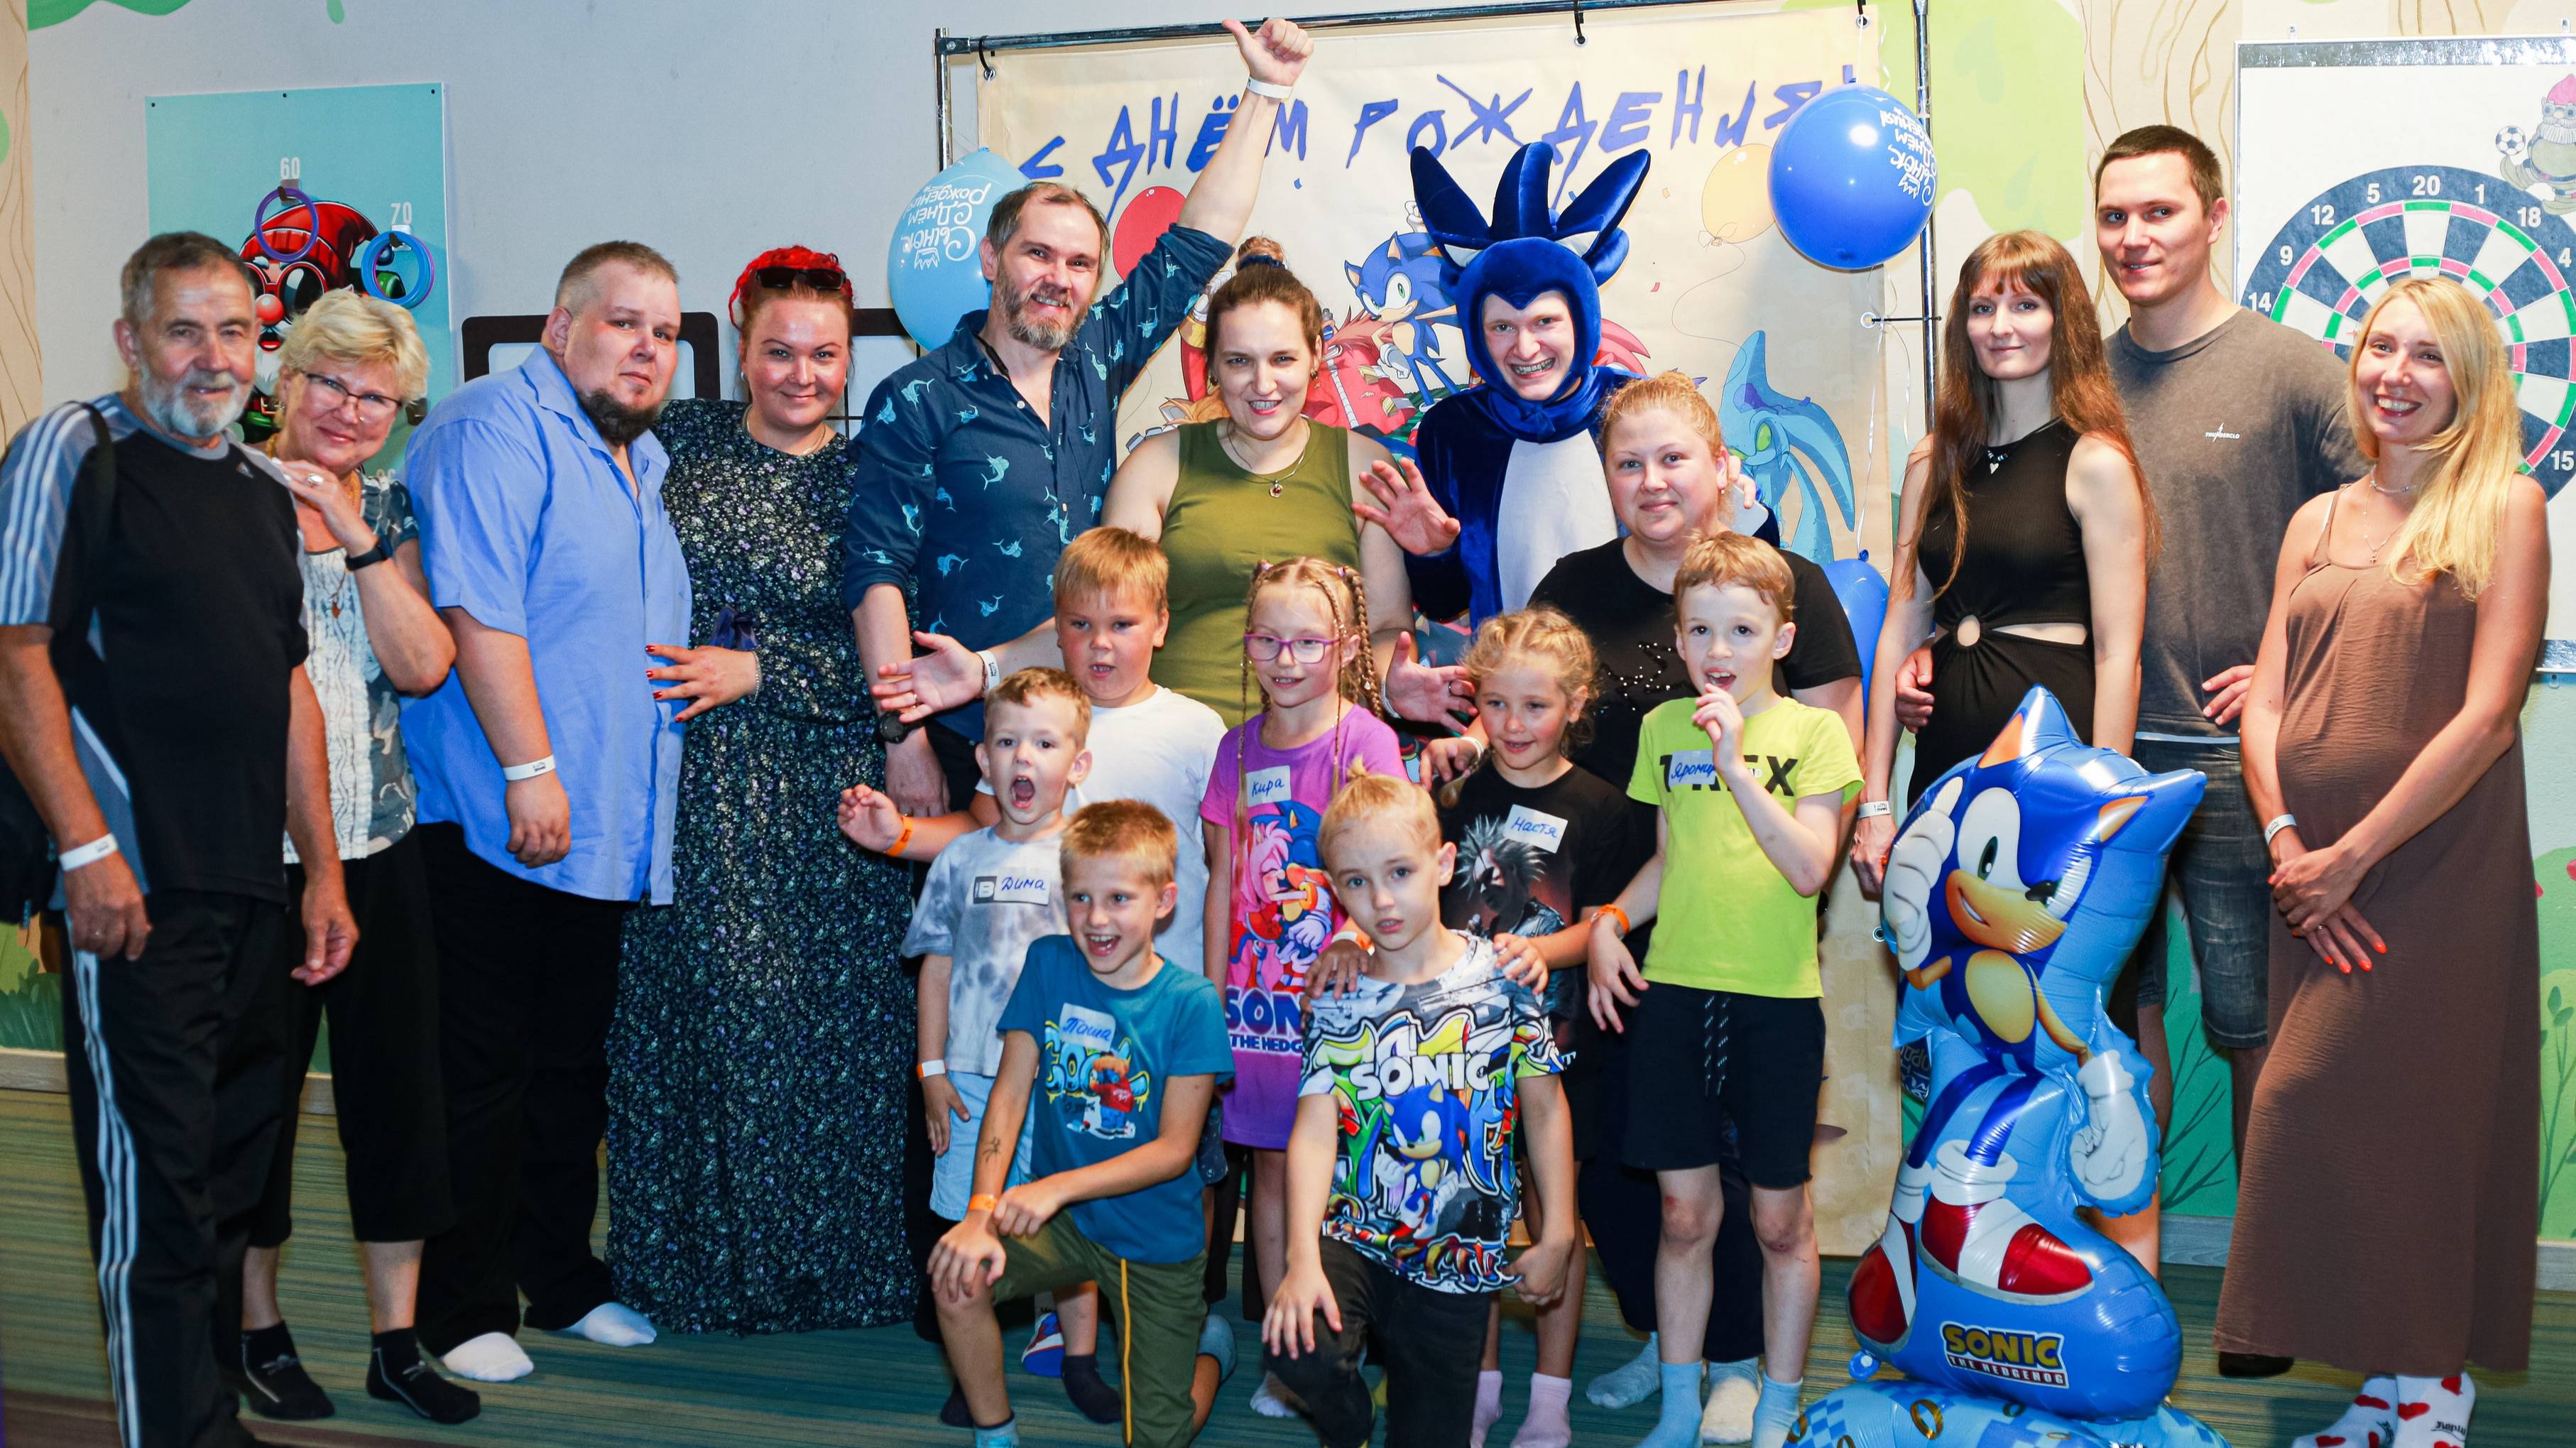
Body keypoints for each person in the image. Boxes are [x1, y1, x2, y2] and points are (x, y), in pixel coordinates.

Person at [1893, 131, 2364, 1302]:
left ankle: (2269, 1285)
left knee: (2252, 1028)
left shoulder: (2290, 369)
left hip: (2229, 758)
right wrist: (1931, 660)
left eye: (2159, 211)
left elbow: (2379, 527)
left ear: (2214, 215)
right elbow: (1993, 559)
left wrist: (2294, 665)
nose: (2134, 236)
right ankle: (2112, 1272)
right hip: (2078, 764)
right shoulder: (2069, 380)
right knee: (2107, 1017)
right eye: (2113, 216)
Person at [0, 231, 356, 1448]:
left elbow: (290, 688)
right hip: (133, 890)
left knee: (224, 1181)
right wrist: (85, 850)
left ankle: (208, 1419)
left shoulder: (262, 490)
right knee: (153, 1195)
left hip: (252, 886)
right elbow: (16, 652)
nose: (213, 357)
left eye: (236, 331)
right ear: (130, 337)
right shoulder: (75, 449)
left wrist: (321, 873)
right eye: (184, 330)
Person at [2217, 276, 2545, 1448]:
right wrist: (2290, 846)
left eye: (2427, 356)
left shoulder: (2503, 505)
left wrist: (2354, 854)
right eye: (2379, 348)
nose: (2395, 374)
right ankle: (2387, 1384)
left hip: (2433, 868)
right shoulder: (2314, 519)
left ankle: (2434, 1388)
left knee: (2397, 1116)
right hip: (2307, 878)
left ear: (2469, 379)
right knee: (2341, 1123)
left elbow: (2488, 714)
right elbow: (2264, 702)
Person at [846, 17, 1313, 818]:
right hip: (966, 732)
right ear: (991, 260)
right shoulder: (919, 397)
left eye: (1079, 263)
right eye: (1037, 254)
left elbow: (1197, 243)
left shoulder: (1099, 354)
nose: (1057, 278)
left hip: (1092, 725)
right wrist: (902, 735)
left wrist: (1267, 89)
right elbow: (874, 571)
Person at [1527, 372, 1857, 1433]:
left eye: (1673, 457)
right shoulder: (1589, 604)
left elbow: (1811, 844)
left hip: (1760, 960)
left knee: (1767, 1199)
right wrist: (1606, 923)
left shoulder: (1796, 655)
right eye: (1628, 462)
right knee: (1653, 1182)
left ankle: (1752, 1371)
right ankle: (1675, 1367)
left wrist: (1741, 767)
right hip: (1642, 950)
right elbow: (1650, 842)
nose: (1652, 479)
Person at [842, 528, 1225, 1421]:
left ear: (1160, 625)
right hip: (1021, 1041)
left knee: (1151, 1181)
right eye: (1079, 625)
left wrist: (1215, 985)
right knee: (1027, 1187)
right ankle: (1030, 1354)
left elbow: (1222, 857)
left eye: (1121, 623)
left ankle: (1161, 1327)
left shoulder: (1193, 729)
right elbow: (979, 847)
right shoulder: (1031, 723)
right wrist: (899, 835)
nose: (1100, 643)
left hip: (1154, 1011)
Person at [604, 248, 918, 1337]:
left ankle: (832, 1274)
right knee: (694, 1023)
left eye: (824, 355)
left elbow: (902, 655)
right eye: (779, 351)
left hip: (829, 797)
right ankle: (694, 1271)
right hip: (688, 782)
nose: (802, 374)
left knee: (829, 1031)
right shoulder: (677, 442)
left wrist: (764, 669)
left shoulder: (875, 472)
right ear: (739, 344)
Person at [400, 240, 689, 1383]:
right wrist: (530, 767)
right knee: (482, 1071)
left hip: (599, 827)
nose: (647, 349)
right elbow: (480, 614)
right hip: (497, 817)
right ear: (560, 327)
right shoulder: (491, 429)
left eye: (665, 334)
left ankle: (562, 1277)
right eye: (624, 323)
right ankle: (461, 1303)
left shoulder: (640, 455)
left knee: (569, 1067)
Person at [877, 239, 1470, 732]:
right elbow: (1098, 619)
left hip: (1320, 764)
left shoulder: (1365, 468)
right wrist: (984, 670)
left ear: (1316, 356)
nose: (1263, 383)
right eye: (1239, 361)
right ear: (1212, 366)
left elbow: (1385, 627)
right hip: (1177, 766)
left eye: (1283, 359)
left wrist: (1394, 684)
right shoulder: (1159, 466)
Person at [231, 290, 477, 1425]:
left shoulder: (387, 503)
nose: (350, 409)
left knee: (398, 1100)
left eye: (377, 397)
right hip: (254, 856)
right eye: (331, 381)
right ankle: (257, 1330)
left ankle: (397, 1342)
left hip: (379, 839)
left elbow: (424, 664)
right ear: (286, 380)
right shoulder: (220, 490)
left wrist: (358, 535)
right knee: (257, 1107)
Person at [1585, 531, 1860, 1448]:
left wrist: (1738, 767)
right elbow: (1668, 863)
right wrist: (1610, 921)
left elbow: (1809, 867)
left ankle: (1777, 1402)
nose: (1718, 649)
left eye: (1741, 629)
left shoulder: (1815, 733)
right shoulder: (1666, 730)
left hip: (1775, 1003)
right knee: (1682, 1214)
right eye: (1699, 629)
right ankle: (1679, 1404)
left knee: (1778, 1221)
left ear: (1781, 638)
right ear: (1679, 637)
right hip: (1676, 998)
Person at [1265, 767, 1576, 1448]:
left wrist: (1557, 1233)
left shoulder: (1504, 977)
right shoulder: (1336, 996)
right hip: (1354, 1235)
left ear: (1444, 864)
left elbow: (1547, 1109)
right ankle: (1351, 1426)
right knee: (1296, 1345)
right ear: (1334, 887)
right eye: (1356, 881)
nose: (1381, 900)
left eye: (1400, 872)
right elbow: (1313, 1132)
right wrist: (1300, 1256)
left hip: (1458, 1261)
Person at [926, 800, 1236, 1448]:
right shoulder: (1049, 962)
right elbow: (1010, 1092)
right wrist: (981, 1210)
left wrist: (1054, 1187)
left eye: (1119, 898)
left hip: (1154, 1242)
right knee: (956, 1273)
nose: (1097, 919)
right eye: (1080, 898)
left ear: (1164, 901)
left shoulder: (1192, 1002)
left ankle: (1211, 1355)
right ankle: (996, 1436)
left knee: (1161, 1435)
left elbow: (1175, 1150)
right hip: (1063, 1225)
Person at [1853, 229, 2153, 837]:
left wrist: (2103, 807)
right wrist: (1874, 800)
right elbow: (1900, 627)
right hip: (1941, 763)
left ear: (2063, 320)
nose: (2000, 326)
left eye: (2025, 305)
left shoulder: (2096, 463)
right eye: (1983, 308)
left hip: (2055, 770)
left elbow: (2119, 654)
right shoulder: (1931, 461)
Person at [1433, 609, 1647, 1448]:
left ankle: (1550, 1396)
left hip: (1560, 1045)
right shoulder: (1457, 792)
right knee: (1472, 1210)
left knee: (1554, 1210)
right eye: (1496, 703)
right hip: (1460, 1045)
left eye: (1535, 705)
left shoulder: (1599, 805)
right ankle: (1480, 1383)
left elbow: (1600, 926)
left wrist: (1537, 949)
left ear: (1575, 703)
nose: (1514, 724)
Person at [1200, 557, 1404, 1415]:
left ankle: (1351, 1341)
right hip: (1256, 1006)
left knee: (1350, 1170)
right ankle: (1288, 1356)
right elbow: (1222, 877)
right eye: (1268, 640)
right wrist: (1210, 996)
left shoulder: (1366, 742)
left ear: (1347, 646)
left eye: (1308, 642)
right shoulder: (1235, 747)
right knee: (1273, 1171)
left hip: (1340, 1002)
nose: (1285, 660)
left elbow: (1388, 864)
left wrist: (1354, 935)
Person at [1359, 141, 1687, 629]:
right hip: (1507, 673)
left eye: (1545, 321)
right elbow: (1445, 603)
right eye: (1502, 327)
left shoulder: (1640, 410)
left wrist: (1736, 502)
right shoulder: (1453, 432)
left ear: (1581, 321)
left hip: (1640, 670)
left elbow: (1715, 562)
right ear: (1476, 334)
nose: (1526, 348)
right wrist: (1433, 553)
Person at [891, 668, 1097, 1425]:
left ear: (1077, 762)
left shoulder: (1089, 859)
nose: (1023, 758)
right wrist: (932, 1070)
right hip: (972, 1079)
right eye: (1007, 742)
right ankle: (971, 1363)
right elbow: (936, 966)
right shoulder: (959, 857)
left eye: (1044, 743)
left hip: (1065, 1080)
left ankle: (1080, 1358)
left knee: (1065, 1225)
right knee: (965, 1219)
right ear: (982, 760)